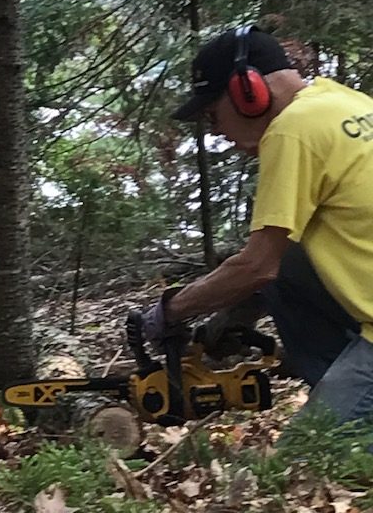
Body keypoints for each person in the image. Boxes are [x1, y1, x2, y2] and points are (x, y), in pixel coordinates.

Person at [142, 24, 373, 423]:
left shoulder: (292, 130)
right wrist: (224, 321)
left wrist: (169, 310)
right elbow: (273, 263)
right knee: (288, 260)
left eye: (214, 117)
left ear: (248, 92)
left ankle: (349, 411)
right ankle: (342, 391)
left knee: (307, 464)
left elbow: (256, 265)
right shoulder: (342, 100)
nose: (220, 134)